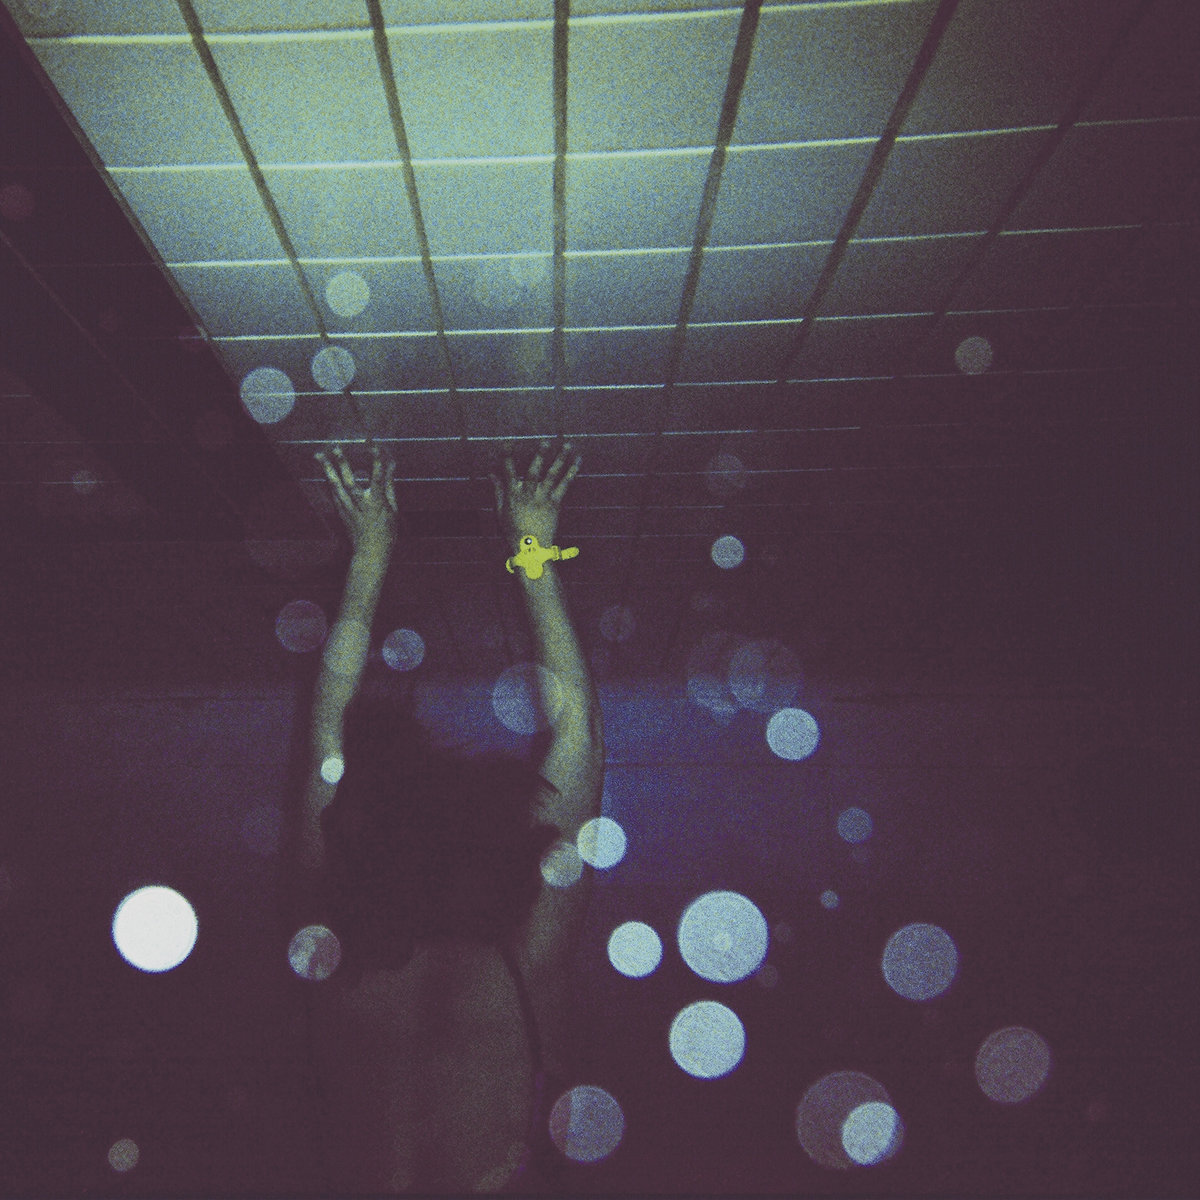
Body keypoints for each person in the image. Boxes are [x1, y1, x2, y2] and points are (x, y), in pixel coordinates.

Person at [285, 438, 605, 1195]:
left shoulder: (348, 970)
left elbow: (323, 752)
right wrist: (529, 549)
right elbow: (580, 741)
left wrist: (369, 557)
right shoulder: (512, 975)